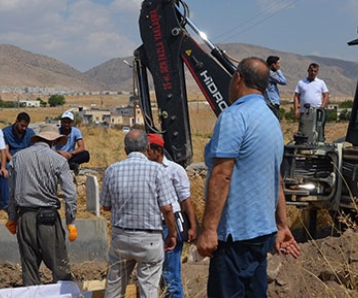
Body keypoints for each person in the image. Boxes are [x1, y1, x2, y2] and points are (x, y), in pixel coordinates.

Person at [196, 57, 301, 297]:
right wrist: (282, 225)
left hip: (235, 235)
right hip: (261, 234)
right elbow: (276, 178)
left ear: (238, 78)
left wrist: (209, 229)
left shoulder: (234, 116)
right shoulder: (271, 120)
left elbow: (222, 174)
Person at [100, 129, 177, 298]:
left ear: (125, 149)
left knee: (114, 288)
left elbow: (105, 206)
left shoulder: (112, 170)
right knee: (148, 289)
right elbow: (167, 208)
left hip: (121, 236)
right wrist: (172, 233)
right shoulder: (158, 171)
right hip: (149, 238)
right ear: (147, 147)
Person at [6, 124, 77, 286]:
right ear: (53, 141)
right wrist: (70, 222)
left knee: (29, 265)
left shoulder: (18, 157)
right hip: (49, 219)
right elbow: (70, 194)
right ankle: (65, 294)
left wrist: (12, 218)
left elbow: (11, 193)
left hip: (24, 216)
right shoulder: (59, 160)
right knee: (60, 265)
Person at [147, 133, 197, 298]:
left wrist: (193, 227)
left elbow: (185, 200)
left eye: (148, 150)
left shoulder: (175, 170)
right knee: (153, 273)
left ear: (158, 150)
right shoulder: (145, 170)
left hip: (170, 226)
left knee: (171, 273)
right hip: (151, 226)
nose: (145, 154)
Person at [293, 63, 329, 138]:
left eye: (315, 71)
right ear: (308, 70)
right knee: (303, 132)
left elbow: (326, 96)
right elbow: (296, 96)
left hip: (317, 112)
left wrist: (322, 108)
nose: (313, 73)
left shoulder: (321, 83)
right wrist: (296, 109)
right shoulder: (301, 82)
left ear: (317, 72)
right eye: (311, 71)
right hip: (304, 112)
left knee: (318, 132)